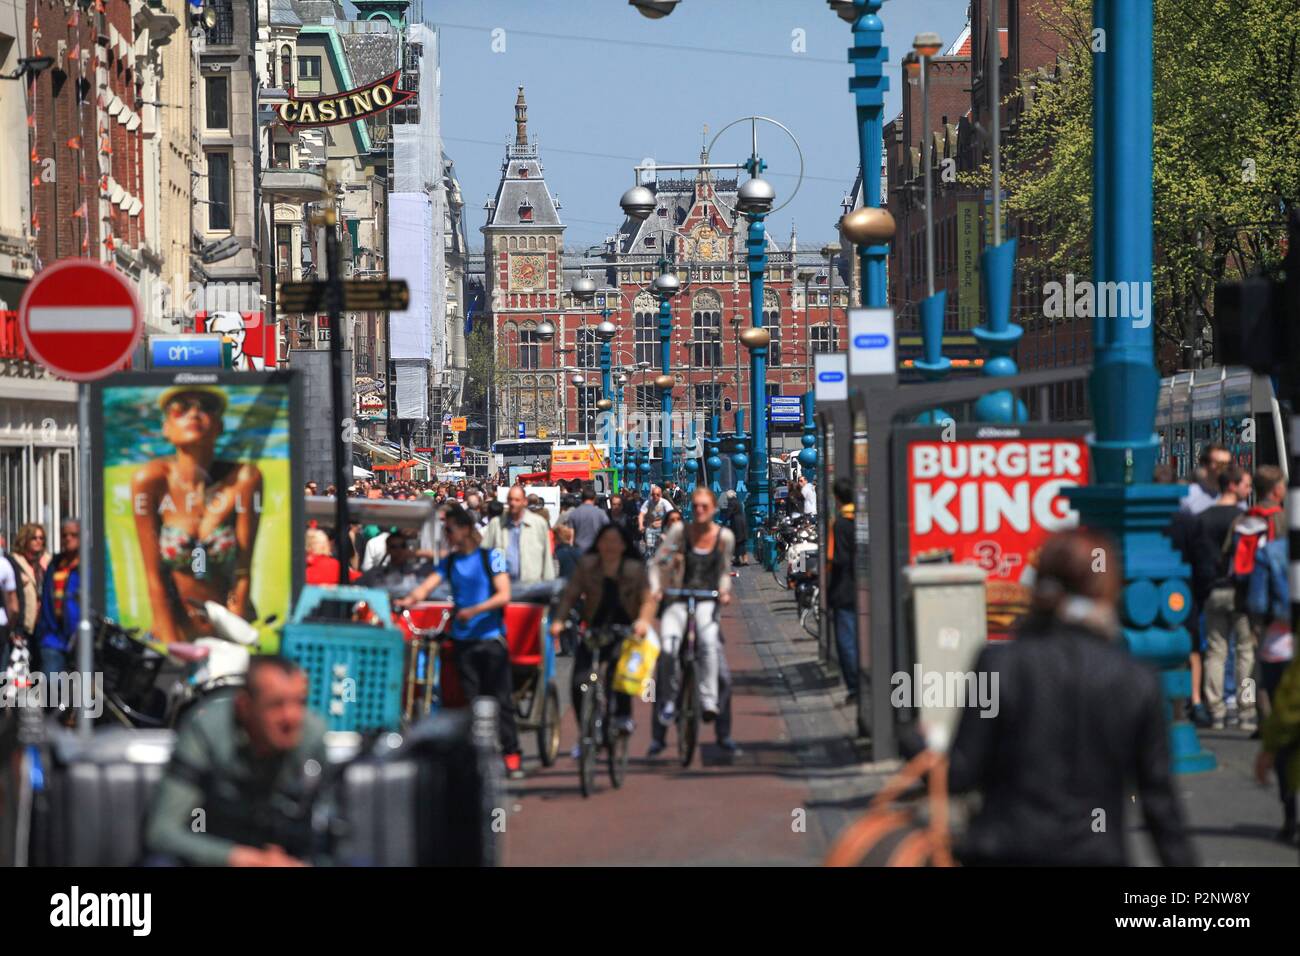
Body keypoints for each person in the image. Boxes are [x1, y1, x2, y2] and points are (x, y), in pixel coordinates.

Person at [948, 528, 1196, 866]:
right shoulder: (1136, 680)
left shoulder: (998, 664)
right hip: (1094, 853)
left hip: (1006, 850)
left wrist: (918, 745)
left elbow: (962, 771)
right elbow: (1159, 802)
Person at [144, 656, 327, 866]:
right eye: (276, 705)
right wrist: (240, 859)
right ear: (245, 706)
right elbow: (161, 832)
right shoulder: (207, 731)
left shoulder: (313, 737)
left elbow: (333, 832)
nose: (291, 717)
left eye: (300, 702)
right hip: (215, 856)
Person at [398, 507, 523, 779]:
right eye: (446, 530)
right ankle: (475, 756)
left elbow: (504, 595)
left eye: (450, 529)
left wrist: (474, 611)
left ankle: (511, 753)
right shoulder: (450, 562)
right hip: (463, 641)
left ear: (466, 529)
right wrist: (407, 601)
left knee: (500, 699)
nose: (447, 534)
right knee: (470, 701)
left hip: (490, 639)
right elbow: (426, 586)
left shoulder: (491, 557)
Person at [130, 386, 261, 644]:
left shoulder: (243, 479)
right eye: (181, 408)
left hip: (226, 625)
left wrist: (233, 634)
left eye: (206, 407)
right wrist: (172, 648)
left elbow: (242, 572)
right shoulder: (151, 480)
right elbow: (154, 578)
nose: (194, 414)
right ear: (166, 426)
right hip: (174, 628)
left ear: (219, 425)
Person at [550, 523, 658, 748]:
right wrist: (558, 620)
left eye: (614, 542)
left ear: (623, 545)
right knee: (578, 681)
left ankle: (622, 717)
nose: (609, 546)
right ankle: (588, 731)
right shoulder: (587, 566)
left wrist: (643, 622)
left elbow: (648, 600)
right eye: (604, 541)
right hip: (594, 630)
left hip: (625, 631)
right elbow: (570, 595)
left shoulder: (634, 569)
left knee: (620, 677)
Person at [647, 486, 735, 757]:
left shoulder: (724, 537)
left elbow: (723, 570)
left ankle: (716, 718)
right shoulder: (679, 533)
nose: (699, 510)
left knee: (715, 655)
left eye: (704, 506)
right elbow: (657, 563)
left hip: (706, 601)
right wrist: (657, 587)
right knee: (668, 651)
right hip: (677, 600)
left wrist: (723, 591)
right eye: (695, 505)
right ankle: (662, 726)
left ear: (713, 510)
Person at [1193, 464, 1255, 731]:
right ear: (1232, 485)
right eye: (1245, 485)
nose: (1249, 489)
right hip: (1240, 591)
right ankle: (1245, 709)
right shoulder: (1245, 517)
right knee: (1245, 652)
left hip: (1213, 591)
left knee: (1216, 652)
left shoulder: (1203, 517)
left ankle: (1216, 709)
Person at [482, 484, 556, 586]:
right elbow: (484, 553)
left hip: (531, 588)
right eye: (510, 499)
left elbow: (547, 558)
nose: (513, 503)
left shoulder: (538, 524)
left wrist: (549, 586)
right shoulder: (496, 524)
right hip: (502, 588)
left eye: (517, 500)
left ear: (524, 501)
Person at [827, 478, 860, 703]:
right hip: (863, 587)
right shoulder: (863, 519)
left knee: (845, 640)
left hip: (844, 588)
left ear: (837, 498)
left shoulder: (840, 524)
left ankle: (855, 687)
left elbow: (836, 558)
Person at [36, 520, 81, 680]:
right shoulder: (54, 564)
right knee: (50, 682)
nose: (68, 538)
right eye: (64, 535)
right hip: (53, 636)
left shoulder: (89, 566)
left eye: (73, 535)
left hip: (81, 637)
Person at [8, 523, 47, 647]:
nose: (38, 541)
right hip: (24, 626)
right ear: (25, 539)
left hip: (43, 626)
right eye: (34, 538)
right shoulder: (15, 562)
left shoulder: (46, 563)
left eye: (41, 538)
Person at [1180, 443, 1231, 516]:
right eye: (1220, 464)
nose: (1225, 468)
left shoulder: (1233, 493)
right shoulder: (1188, 495)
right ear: (1205, 464)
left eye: (1228, 464)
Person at [560, 485, 610, 553]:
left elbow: (571, 536)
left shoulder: (574, 514)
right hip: (596, 551)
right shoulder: (601, 513)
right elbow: (608, 532)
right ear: (594, 498)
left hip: (578, 551)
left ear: (582, 498)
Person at [638, 484, 674, 556]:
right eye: (653, 494)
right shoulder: (648, 502)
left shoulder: (664, 503)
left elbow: (671, 514)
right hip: (651, 527)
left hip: (662, 528)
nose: (655, 496)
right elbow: (641, 514)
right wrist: (641, 525)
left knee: (664, 546)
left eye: (657, 494)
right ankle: (649, 559)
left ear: (660, 495)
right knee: (650, 548)